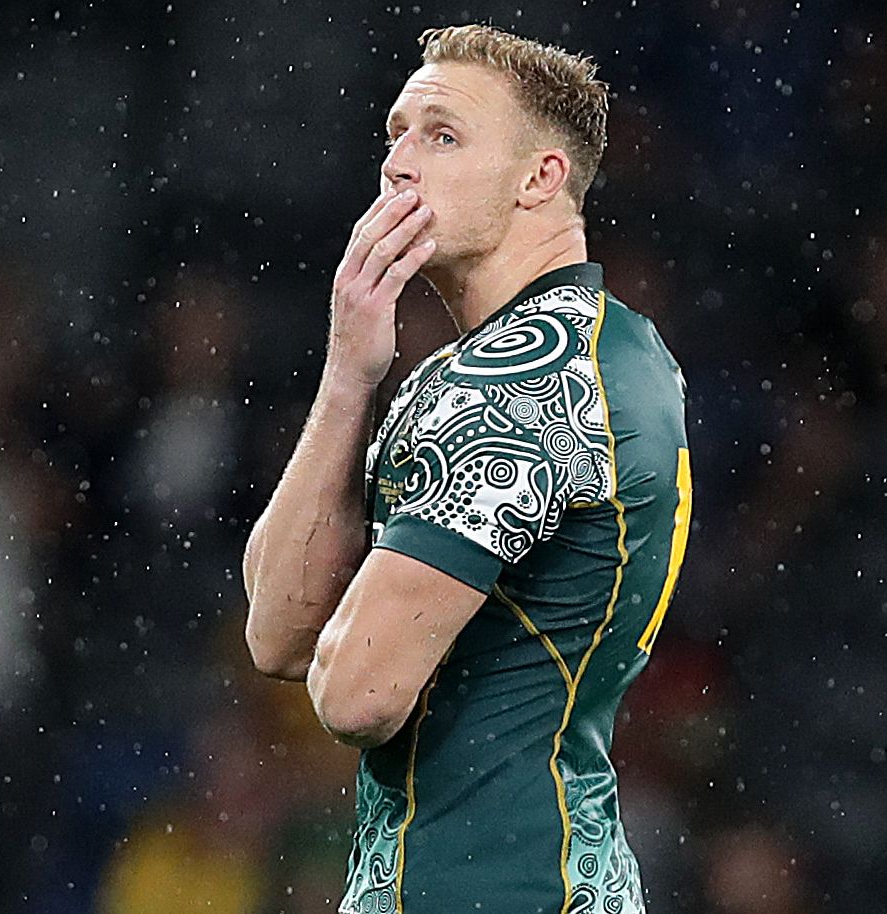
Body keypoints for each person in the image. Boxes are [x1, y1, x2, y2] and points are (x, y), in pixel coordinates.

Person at [242, 24, 691, 914]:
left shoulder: (518, 384)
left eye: (442, 136)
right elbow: (280, 633)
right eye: (396, 134)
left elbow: (357, 693)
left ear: (540, 179)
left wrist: (353, 645)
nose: (400, 164)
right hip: (567, 875)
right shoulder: (608, 349)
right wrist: (349, 375)